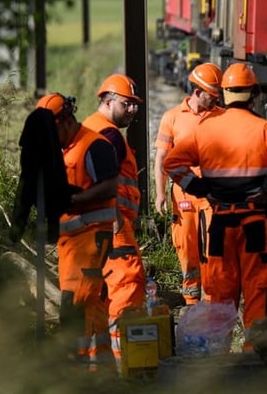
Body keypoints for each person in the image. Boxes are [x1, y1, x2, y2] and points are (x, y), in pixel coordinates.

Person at [163, 62, 267, 346]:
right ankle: (252, 354)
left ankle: (216, 356)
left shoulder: (205, 129)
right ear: (253, 95)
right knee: (256, 290)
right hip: (254, 225)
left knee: (220, 292)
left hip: (221, 223)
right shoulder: (265, 130)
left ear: (224, 94)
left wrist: (201, 189)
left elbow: (172, 163)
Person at [36, 92, 118, 371]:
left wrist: (73, 200)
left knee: (76, 302)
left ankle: (75, 365)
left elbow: (109, 187)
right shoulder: (61, 150)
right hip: (71, 242)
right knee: (90, 300)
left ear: (66, 120)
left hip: (91, 238)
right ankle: (101, 363)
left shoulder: (94, 145)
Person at [83, 73, 147, 373]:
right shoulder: (106, 135)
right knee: (127, 283)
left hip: (94, 227)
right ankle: (127, 365)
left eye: (135, 104)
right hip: (113, 226)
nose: (132, 110)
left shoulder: (92, 129)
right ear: (107, 101)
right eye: (127, 104)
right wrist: (118, 221)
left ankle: (99, 364)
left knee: (100, 294)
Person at [153, 62, 223, 305]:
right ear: (197, 91)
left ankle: (213, 299)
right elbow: (161, 158)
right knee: (186, 246)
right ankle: (191, 300)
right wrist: (160, 193)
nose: (215, 100)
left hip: (212, 194)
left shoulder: (221, 117)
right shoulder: (172, 117)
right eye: (211, 96)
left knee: (214, 247)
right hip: (183, 194)